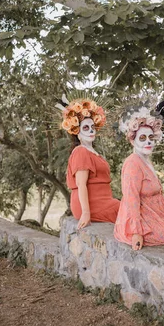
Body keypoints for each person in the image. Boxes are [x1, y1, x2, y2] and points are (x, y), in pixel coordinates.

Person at [114, 108, 164, 250]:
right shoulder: (133, 163)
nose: (148, 142)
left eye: (151, 138)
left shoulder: (145, 160)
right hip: (142, 223)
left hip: (156, 217)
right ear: (133, 140)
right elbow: (131, 198)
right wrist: (136, 232)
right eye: (142, 138)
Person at [60, 98, 120, 229]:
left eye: (93, 127)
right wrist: (86, 213)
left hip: (105, 201)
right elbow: (81, 184)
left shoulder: (93, 152)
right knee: (128, 212)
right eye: (86, 127)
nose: (91, 130)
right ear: (78, 133)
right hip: (91, 205)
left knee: (131, 209)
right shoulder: (81, 151)